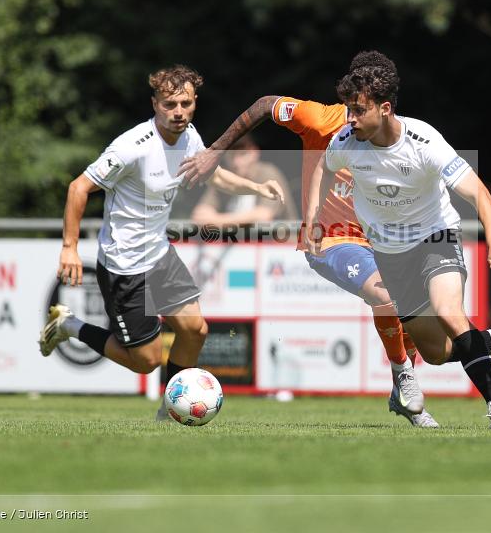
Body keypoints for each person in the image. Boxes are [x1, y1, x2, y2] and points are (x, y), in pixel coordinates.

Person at [178, 55, 439, 428]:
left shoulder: (400, 138)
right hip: (331, 242)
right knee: (385, 295)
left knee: (420, 318)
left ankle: (420, 377)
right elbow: (267, 105)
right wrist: (216, 150)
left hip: (385, 242)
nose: (356, 118)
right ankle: (403, 377)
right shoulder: (322, 120)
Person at [38, 65, 284, 418]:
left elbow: (211, 173)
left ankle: (170, 410)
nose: (178, 112)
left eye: (185, 103)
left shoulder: (190, 137)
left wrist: (256, 188)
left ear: (194, 102)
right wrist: (69, 248)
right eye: (169, 104)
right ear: (155, 103)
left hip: (159, 255)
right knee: (146, 362)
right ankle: (69, 326)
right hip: (124, 266)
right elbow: (78, 188)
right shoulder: (131, 147)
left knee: (195, 330)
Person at [306, 51, 491, 430]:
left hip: (436, 237)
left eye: (358, 110)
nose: (349, 119)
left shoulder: (425, 142)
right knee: (438, 353)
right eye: (348, 110)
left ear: (385, 108)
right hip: (391, 256)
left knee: (449, 313)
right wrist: (312, 219)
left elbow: (480, 196)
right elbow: (322, 173)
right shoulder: (346, 141)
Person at [191, 133, 297, 227]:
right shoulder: (226, 177)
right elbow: (199, 215)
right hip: (243, 245)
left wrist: (217, 221)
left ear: (255, 153)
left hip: (282, 244)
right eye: (231, 155)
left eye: (243, 154)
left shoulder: (268, 173)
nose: (236, 162)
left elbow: (264, 216)